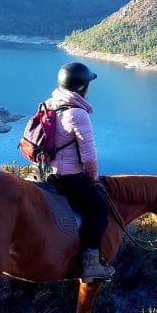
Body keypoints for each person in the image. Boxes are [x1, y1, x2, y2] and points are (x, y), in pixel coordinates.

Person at [45, 62, 115, 282]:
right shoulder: (77, 113)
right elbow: (90, 157)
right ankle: (91, 265)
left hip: (46, 171)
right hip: (68, 176)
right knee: (99, 209)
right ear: (82, 87)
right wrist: (93, 178)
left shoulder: (49, 104)